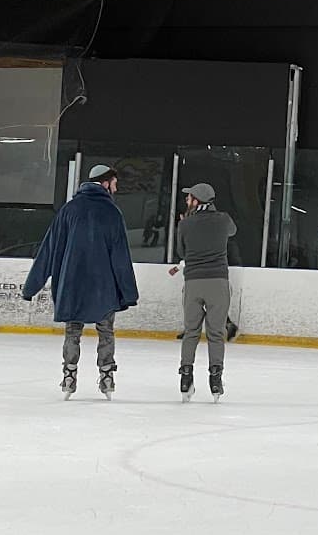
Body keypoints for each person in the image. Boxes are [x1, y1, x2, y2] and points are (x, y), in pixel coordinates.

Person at [21, 164, 139, 400]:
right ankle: (107, 376)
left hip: (71, 283)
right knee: (106, 331)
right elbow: (120, 255)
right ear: (105, 183)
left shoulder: (69, 209)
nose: (115, 188)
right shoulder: (112, 213)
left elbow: (49, 249)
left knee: (72, 332)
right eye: (114, 183)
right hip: (102, 286)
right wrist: (128, 292)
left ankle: (69, 376)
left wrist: (31, 286)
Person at [167, 182, 235, 401]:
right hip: (218, 282)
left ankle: (186, 378)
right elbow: (232, 231)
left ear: (197, 201)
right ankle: (216, 380)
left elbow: (181, 251)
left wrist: (185, 226)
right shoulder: (224, 219)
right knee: (215, 333)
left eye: (189, 198)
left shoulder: (186, 224)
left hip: (194, 281)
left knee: (191, 332)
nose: (187, 201)